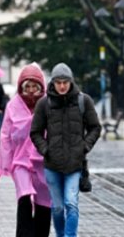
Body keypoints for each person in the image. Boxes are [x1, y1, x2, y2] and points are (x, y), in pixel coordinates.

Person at [30, 64, 101, 237]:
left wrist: (84, 147)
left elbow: (95, 128)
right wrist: (45, 150)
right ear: (53, 83)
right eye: (58, 82)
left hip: (75, 164)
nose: (62, 86)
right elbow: (35, 132)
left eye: (65, 82)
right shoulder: (44, 104)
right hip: (52, 164)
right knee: (57, 207)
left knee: (71, 204)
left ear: (71, 82)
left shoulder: (83, 101)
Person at [0, 64, 52, 237]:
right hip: (20, 161)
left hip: (44, 161)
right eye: (27, 86)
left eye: (34, 87)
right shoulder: (13, 105)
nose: (30, 91)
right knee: (23, 198)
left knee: (44, 202)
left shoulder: (49, 104)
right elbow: (6, 135)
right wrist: (6, 163)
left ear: (40, 87)